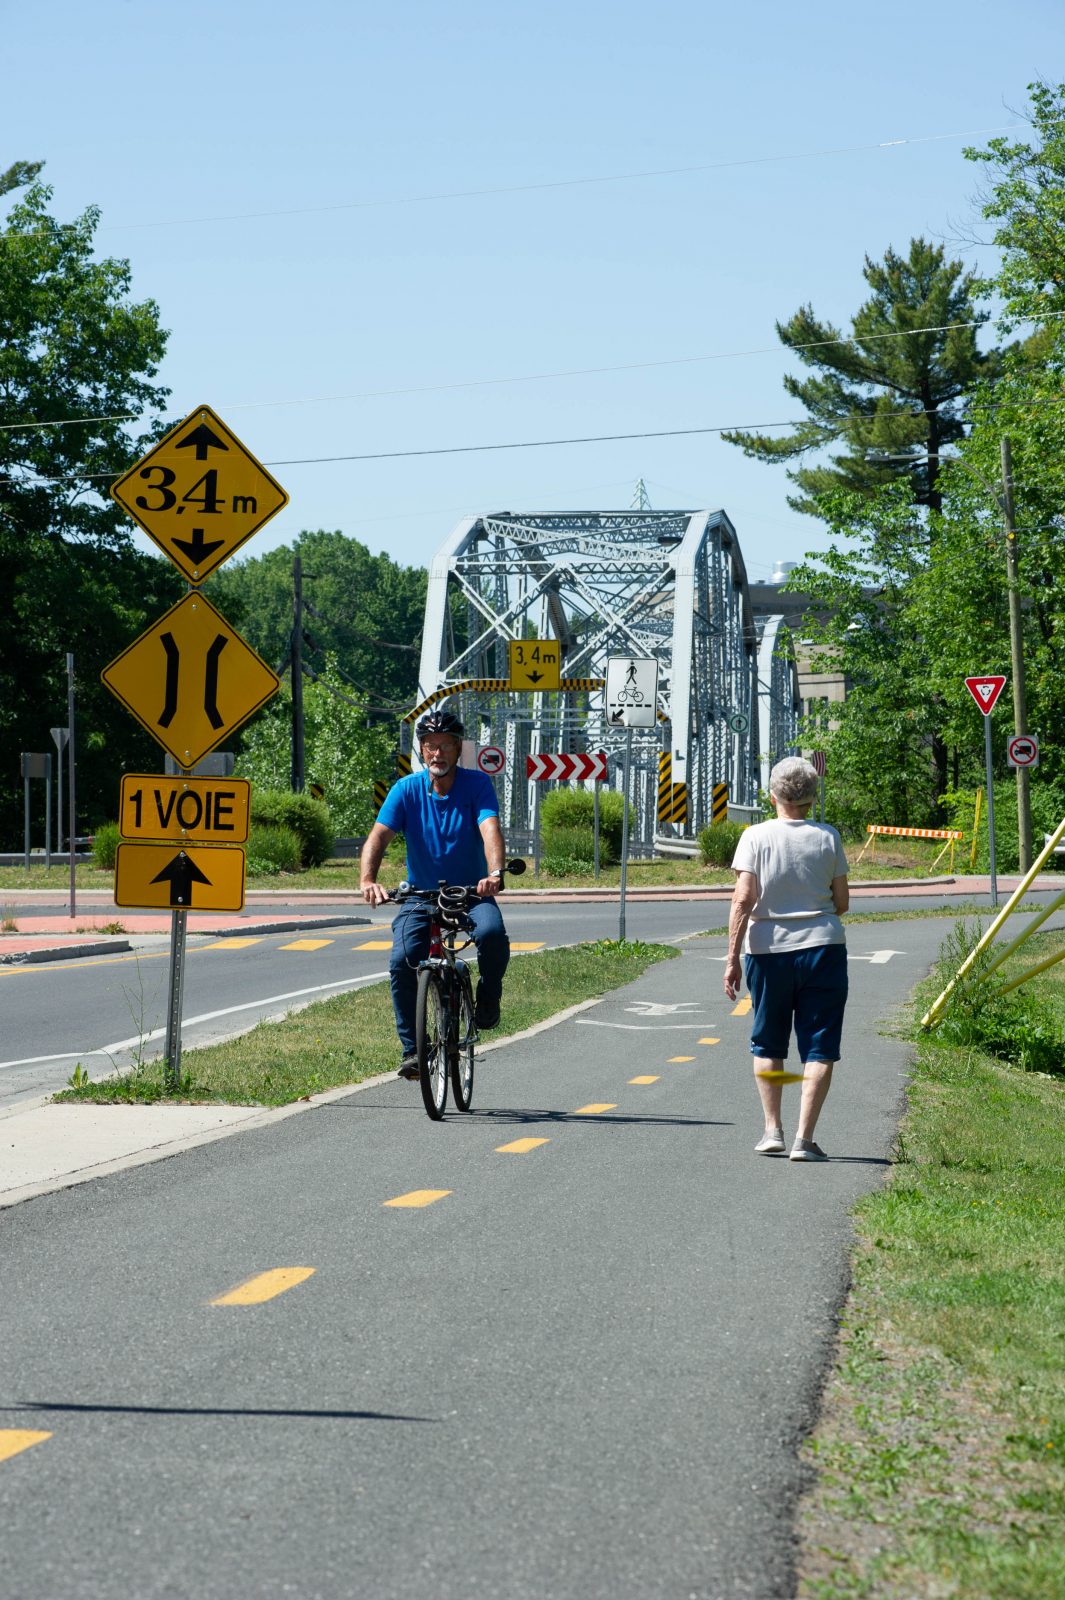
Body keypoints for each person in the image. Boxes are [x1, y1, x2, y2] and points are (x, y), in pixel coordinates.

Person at [360, 710, 510, 1080]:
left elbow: (489, 828)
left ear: (458, 749)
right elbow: (378, 836)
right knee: (402, 960)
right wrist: (368, 880)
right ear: (422, 751)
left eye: (444, 746)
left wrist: (494, 874)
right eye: (429, 747)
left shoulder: (477, 785)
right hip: (420, 896)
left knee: (491, 934)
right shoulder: (406, 789)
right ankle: (413, 1050)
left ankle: (489, 993)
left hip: (471, 892)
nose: (437, 754)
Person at [723, 756, 849, 1162]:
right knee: (819, 1047)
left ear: (773, 794)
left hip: (766, 949)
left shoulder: (755, 837)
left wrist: (731, 958)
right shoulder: (828, 837)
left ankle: (772, 1130)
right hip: (823, 948)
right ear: (812, 797)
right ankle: (805, 1140)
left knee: (768, 1040)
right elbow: (842, 903)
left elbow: (743, 899)